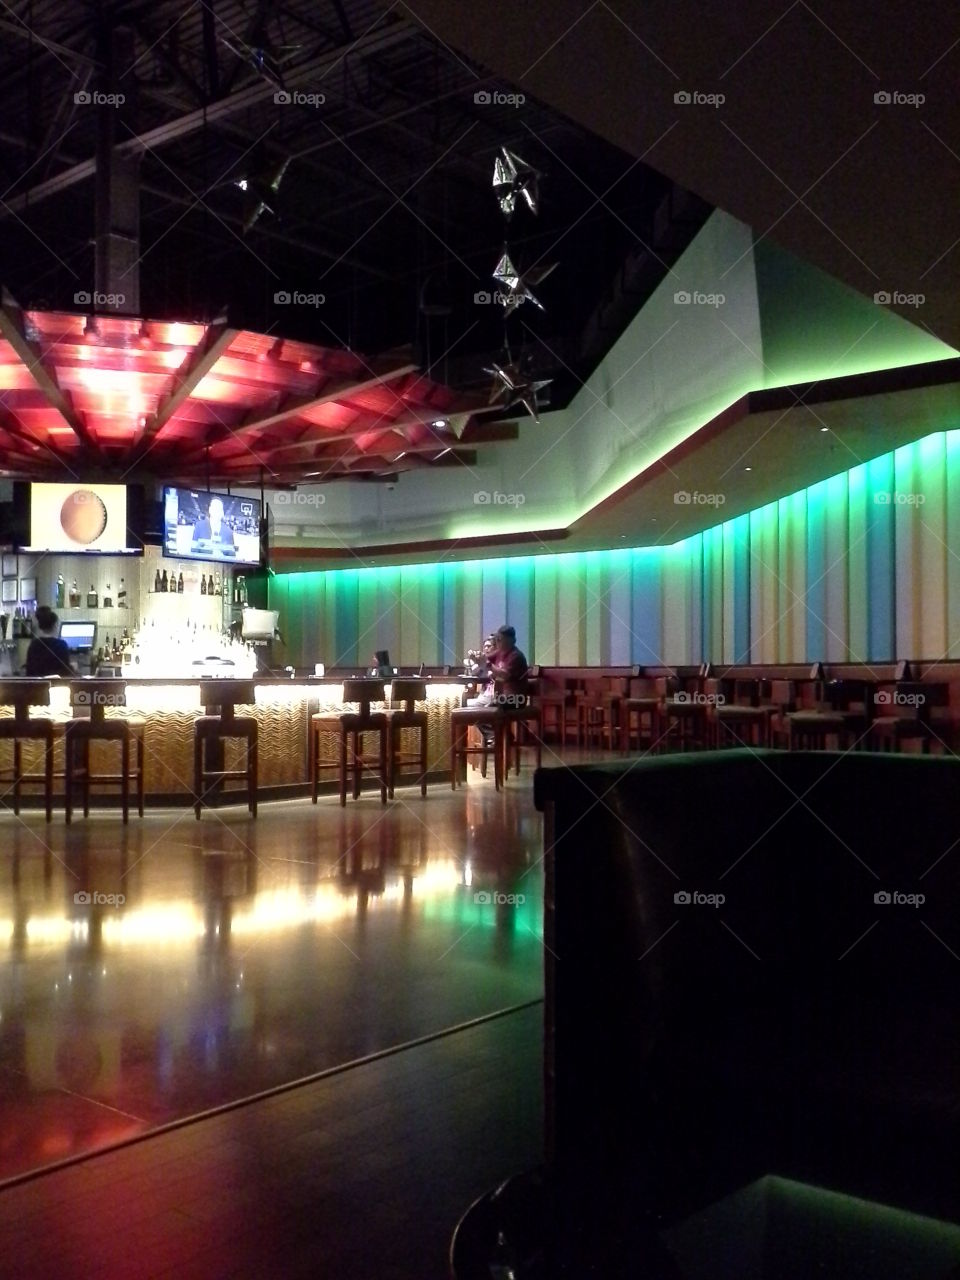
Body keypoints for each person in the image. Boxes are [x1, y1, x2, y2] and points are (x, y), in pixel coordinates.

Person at [25, 606, 73, 677]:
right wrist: (72, 668)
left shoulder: (34, 645)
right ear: (55, 625)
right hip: (57, 685)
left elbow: (29, 671)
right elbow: (65, 673)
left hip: (37, 686)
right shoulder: (61, 645)